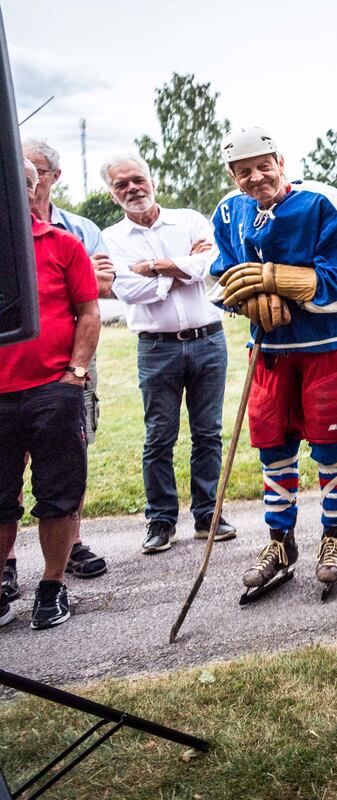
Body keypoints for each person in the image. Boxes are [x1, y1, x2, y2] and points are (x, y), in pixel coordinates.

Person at [211, 127, 337, 599]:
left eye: (264, 165)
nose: (256, 177)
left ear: (282, 161)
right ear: (233, 176)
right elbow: (221, 273)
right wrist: (243, 302)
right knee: (273, 447)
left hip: (330, 343)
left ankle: (334, 538)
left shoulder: (327, 204)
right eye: (244, 171)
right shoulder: (228, 211)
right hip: (272, 348)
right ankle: (280, 544)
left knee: (329, 446)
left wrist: (271, 277)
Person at [100, 154, 235, 554]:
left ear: (152, 181)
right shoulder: (110, 239)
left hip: (209, 340)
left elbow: (211, 265)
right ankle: (160, 520)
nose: (132, 189)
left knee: (208, 432)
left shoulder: (190, 220)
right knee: (159, 435)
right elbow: (126, 290)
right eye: (121, 185)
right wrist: (179, 270)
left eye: (137, 179)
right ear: (112, 195)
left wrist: (153, 267)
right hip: (157, 347)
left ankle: (208, 514)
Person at [4, 139, 112, 608]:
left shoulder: (64, 243)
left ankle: (51, 587)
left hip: (54, 388)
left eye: (18, 185)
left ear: (32, 190)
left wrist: (75, 373)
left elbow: (89, 313)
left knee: (59, 494)